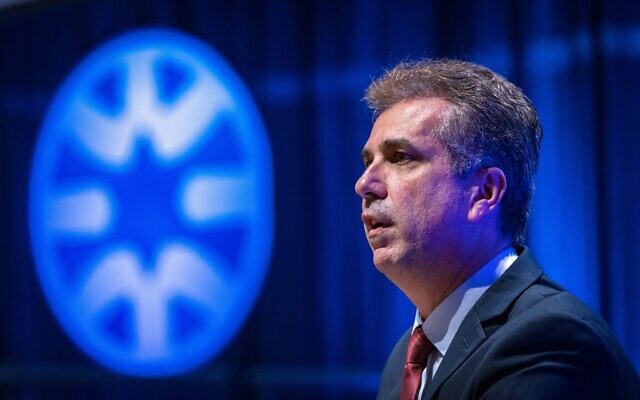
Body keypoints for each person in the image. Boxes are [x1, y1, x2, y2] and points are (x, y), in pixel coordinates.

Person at [355, 59, 640, 400]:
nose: (364, 184)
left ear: (484, 193)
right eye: (368, 162)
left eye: (400, 157)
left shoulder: (548, 341)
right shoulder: (405, 358)